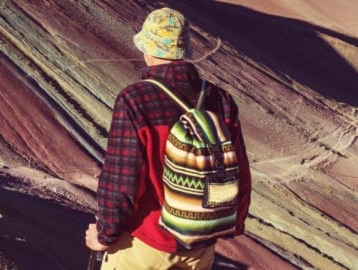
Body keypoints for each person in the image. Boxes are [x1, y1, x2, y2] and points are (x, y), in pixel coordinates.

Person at [84, 7, 251, 270]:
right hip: (200, 248)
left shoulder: (135, 100)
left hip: (143, 246)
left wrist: (104, 236)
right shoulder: (220, 100)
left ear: (147, 48)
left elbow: (122, 181)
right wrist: (231, 224)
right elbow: (239, 172)